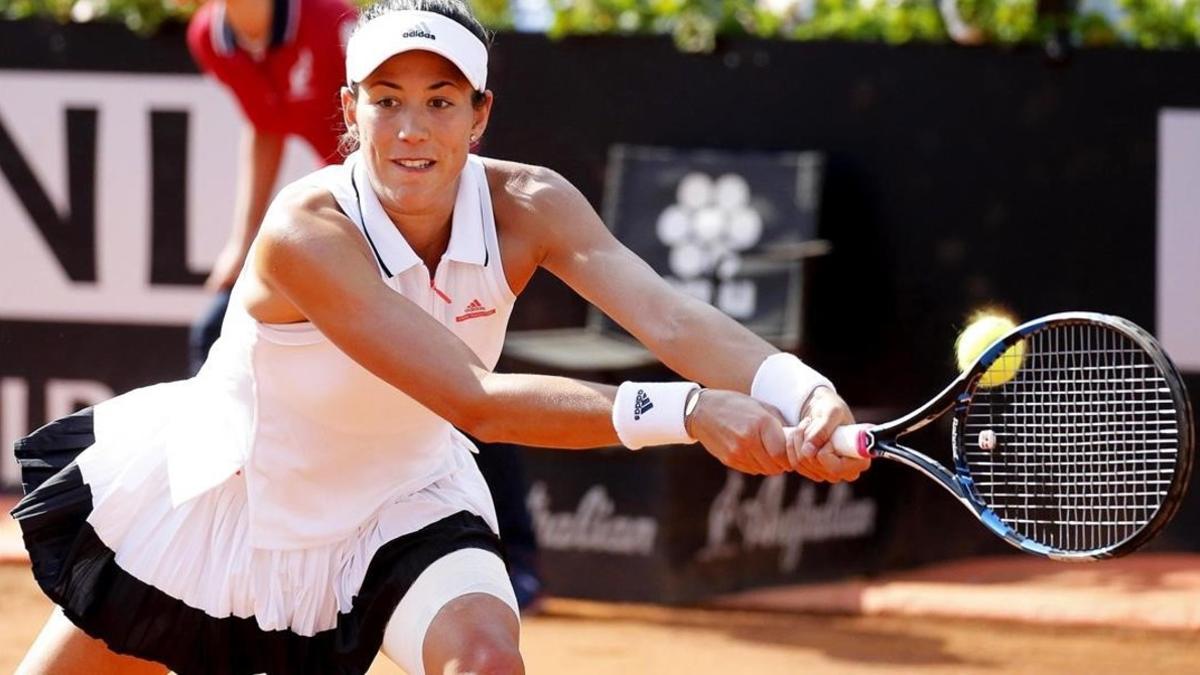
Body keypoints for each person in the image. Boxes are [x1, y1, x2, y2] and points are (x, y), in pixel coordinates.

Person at [10, 0, 871, 673]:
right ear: (350, 108)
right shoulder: (306, 229)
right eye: (386, 102)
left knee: (488, 660)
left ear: (480, 113)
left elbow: (672, 317)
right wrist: (690, 411)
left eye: (440, 100)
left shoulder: (532, 204)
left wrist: (802, 395)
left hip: (407, 497)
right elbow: (474, 399)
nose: (412, 129)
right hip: (231, 504)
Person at [185, 0, 357, 373]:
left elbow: (386, 130)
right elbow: (264, 124)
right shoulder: (206, 37)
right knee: (213, 333)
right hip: (341, 207)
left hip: (400, 202)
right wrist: (241, 243)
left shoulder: (332, 23)